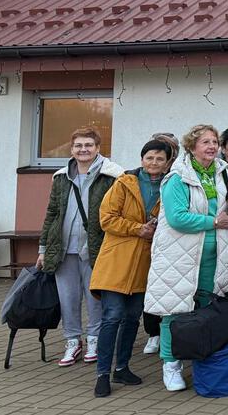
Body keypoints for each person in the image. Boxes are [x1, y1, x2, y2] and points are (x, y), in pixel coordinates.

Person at [144, 124, 228, 392]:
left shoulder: (222, 172)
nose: (212, 146)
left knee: (208, 310)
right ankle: (171, 365)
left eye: (214, 142)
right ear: (192, 146)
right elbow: (177, 218)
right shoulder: (177, 177)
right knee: (174, 312)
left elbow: (225, 207)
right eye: (205, 142)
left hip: (214, 255)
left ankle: (201, 359)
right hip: (180, 256)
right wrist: (215, 221)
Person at [88, 139, 170, 397]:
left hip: (145, 263)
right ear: (142, 159)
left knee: (133, 317)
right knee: (112, 316)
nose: (154, 162)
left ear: (167, 162)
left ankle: (122, 367)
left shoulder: (169, 186)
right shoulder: (124, 183)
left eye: (160, 159)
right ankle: (102, 374)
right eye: (150, 157)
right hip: (116, 261)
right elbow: (106, 219)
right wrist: (138, 229)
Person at [37, 126, 123, 368]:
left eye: (88, 145)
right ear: (72, 149)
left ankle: (95, 339)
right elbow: (52, 213)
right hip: (63, 249)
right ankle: (72, 341)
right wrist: (43, 249)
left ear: (98, 148)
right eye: (78, 145)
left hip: (97, 248)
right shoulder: (61, 177)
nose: (83, 149)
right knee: (68, 299)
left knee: (95, 298)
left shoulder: (113, 175)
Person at [141, 132, 179, 354]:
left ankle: (169, 332)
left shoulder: (178, 177)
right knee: (151, 288)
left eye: (165, 151)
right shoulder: (134, 178)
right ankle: (153, 333)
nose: (156, 160)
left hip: (170, 243)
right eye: (151, 155)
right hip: (143, 240)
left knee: (169, 288)